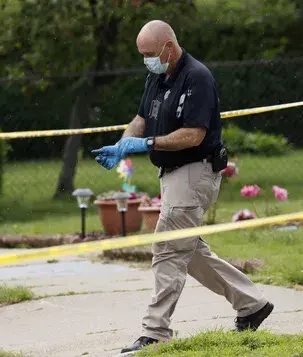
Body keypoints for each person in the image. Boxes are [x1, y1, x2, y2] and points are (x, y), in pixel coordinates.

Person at [92, 20, 274, 355]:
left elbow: (193, 135)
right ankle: (252, 305)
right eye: (142, 55)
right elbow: (140, 119)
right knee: (189, 252)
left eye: (149, 54)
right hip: (174, 174)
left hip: (195, 171)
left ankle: (155, 332)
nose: (146, 60)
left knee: (167, 250)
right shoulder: (156, 76)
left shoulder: (197, 77)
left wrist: (146, 143)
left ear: (168, 46)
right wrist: (122, 145)